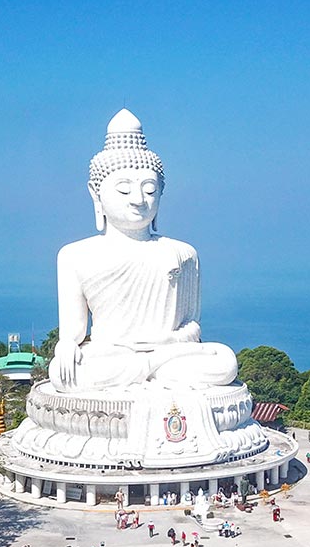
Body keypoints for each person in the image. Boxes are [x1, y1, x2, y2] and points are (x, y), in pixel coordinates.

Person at [48, 109, 238, 392]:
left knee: (224, 361)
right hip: (109, 356)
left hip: (171, 353)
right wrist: (65, 346)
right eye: (124, 190)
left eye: (149, 190)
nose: (138, 200)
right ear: (95, 193)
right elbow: (74, 333)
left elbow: (192, 326)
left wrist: (166, 344)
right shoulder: (74, 255)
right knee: (65, 372)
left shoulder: (182, 253)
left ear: (162, 192)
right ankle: (157, 375)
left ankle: (154, 371)